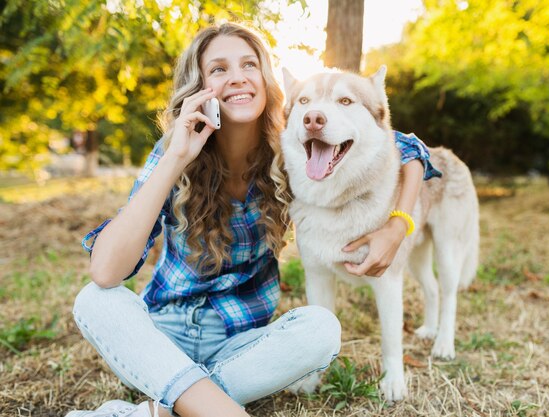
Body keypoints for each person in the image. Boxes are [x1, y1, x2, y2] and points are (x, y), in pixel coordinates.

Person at [68, 22, 441, 417]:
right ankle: (222, 409)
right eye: (218, 69)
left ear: (265, 80)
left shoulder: (292, 150)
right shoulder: (173, 151)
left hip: (241, 344)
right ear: (199, 87)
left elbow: (402, 143)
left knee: (321, 329)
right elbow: (106, 271)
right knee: (95, 300)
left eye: (249, 64)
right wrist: (176, 156)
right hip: (162, 336)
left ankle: (170, 406)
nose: (237, 78)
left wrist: (399, 223)